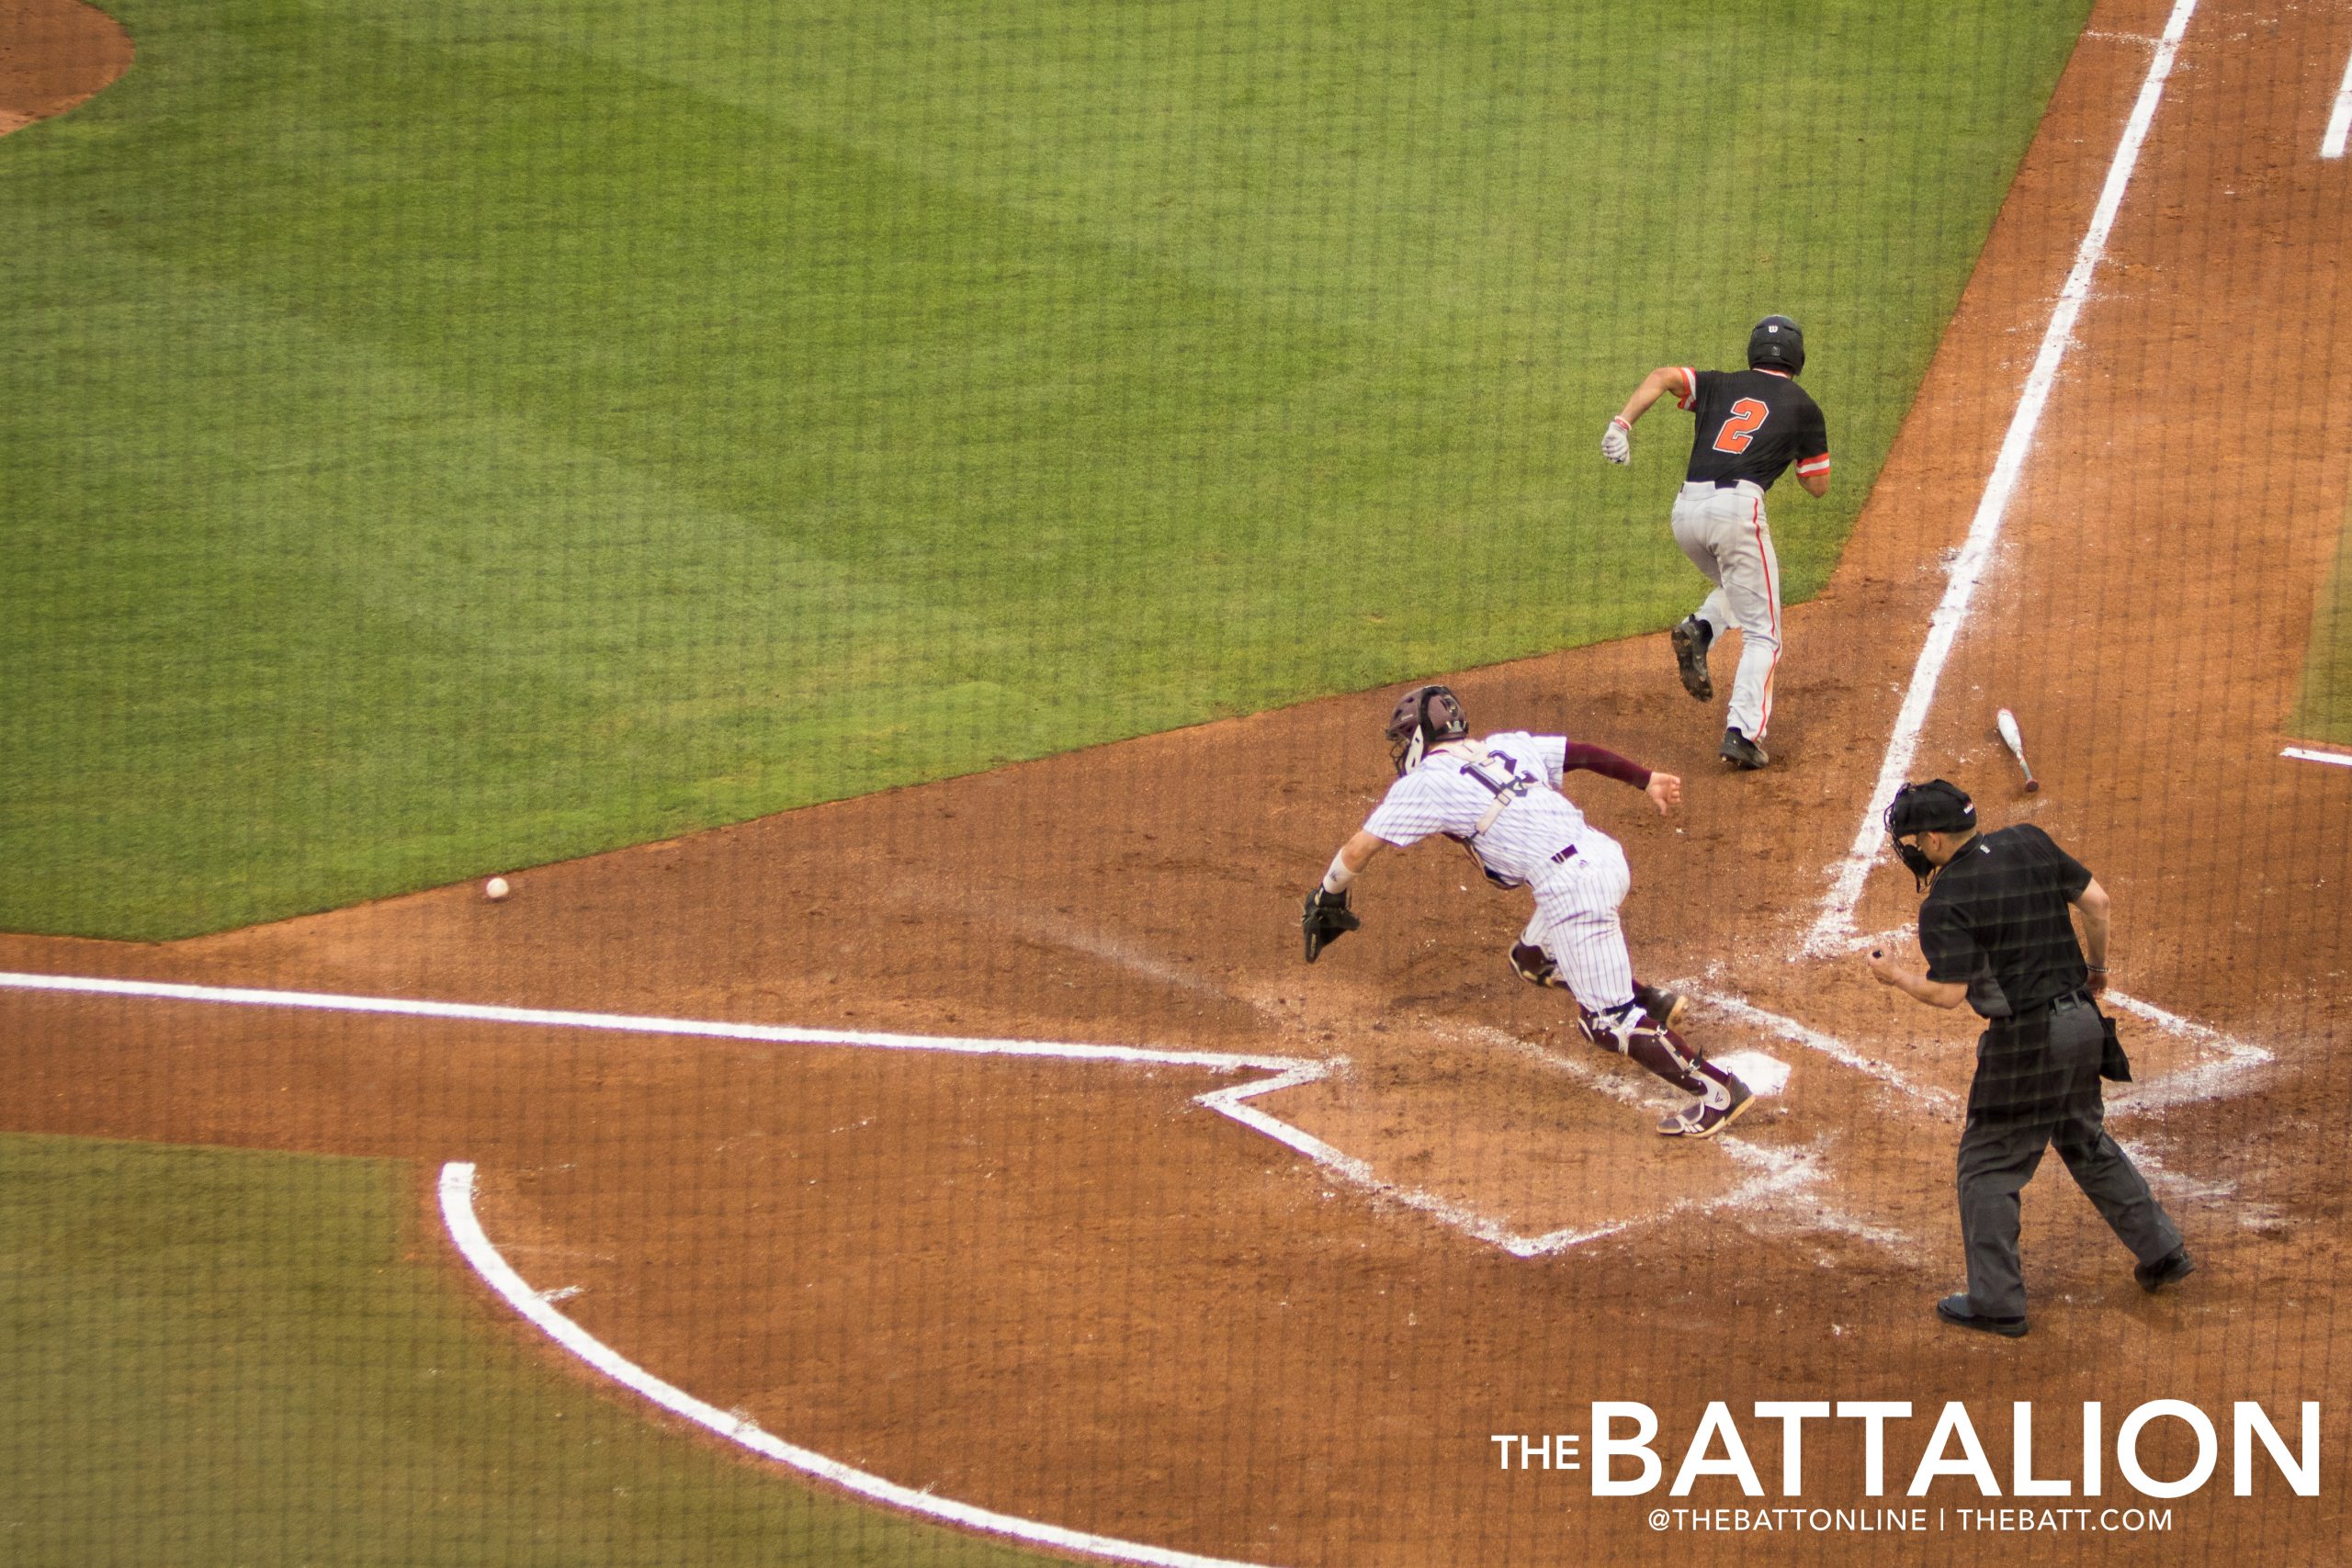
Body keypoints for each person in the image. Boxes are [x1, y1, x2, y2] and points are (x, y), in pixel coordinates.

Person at [1298, 684, 1753, 1138]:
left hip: (1573, 888)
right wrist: (1645, 777)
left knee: (1606, 1025)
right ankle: (1649, 1000)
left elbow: (1358, 850)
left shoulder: (1425, 782)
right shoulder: (1504, 745)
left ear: (1420, 737)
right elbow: (1579, 752)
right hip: (1603, 857)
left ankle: (1719, 1092)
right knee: (1532, 958)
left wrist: (1327, 893)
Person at [1865, 780, 2193, 1337]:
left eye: (1915, 840)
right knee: (2084, 1140)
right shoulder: (2028, 840)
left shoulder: (1945, 902)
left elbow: (1949, 994)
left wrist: (1894, 974)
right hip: (2084, 1026)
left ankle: (1997, 1302)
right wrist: (2096, 968)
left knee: (1988, 1164)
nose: (1911, 849)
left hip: (2026, 1042)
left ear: (1936, 840)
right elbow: (2098, 902)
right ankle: (2161, 1251)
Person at [1600, 315, 1831, 770]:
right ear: (1797, 358)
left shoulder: (1720, 384)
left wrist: (1621, 425)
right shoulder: (1804, 406)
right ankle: (1743, 733)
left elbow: (1664, 377)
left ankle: (1702, 627)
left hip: (1686, 512)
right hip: (1736, 512)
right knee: (1765, 633)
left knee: (1738, 588)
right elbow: (1817, 484)